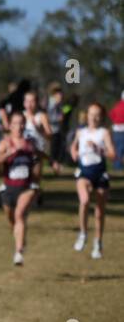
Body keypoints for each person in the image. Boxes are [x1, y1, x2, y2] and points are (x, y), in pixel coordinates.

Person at [0, 111, 43, 265]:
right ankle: (20, 237)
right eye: (15, 123)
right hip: (8, 188)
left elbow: (40, 155)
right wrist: (8, 154)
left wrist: (52, 163)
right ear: (10, 126)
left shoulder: (30, 143)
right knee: (12, 219)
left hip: (26, 187)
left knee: (20, 215)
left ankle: (19, 251)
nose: (19, 126)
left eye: (22, 123)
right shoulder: (5, 143)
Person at [70, 102, 115, 259]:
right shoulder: (81, 132)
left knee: (99, 212)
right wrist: (74, 152)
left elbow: (112, 154)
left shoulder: (104, 133)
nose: (94, 117)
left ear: (102, 117)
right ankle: (83, 234)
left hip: (100, 173)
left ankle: (98, 242)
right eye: (91, 114)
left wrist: (99, 149)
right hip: (84, 172)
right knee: (84, 201)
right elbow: (73, 146)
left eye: (97, 114)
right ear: (86, 115)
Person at [109, 90, 124, 171]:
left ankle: (117, 167)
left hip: (116, 130)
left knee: (118, 150)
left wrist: (116, 121)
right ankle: (118, 168)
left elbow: (111, 114)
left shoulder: (117, 105)